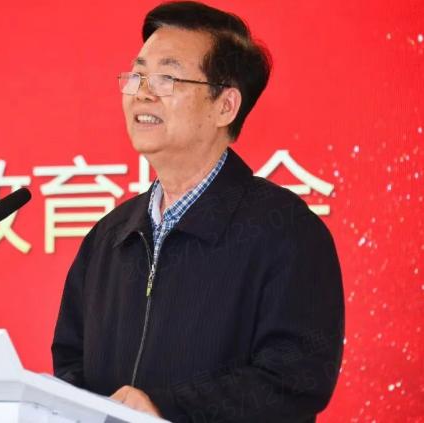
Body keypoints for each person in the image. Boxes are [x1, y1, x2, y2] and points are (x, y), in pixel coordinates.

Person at [52, 2, 345, 422]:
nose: (142, 92)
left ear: (225, 106)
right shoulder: (109, 237)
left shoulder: (287, 231)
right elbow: (70, 365)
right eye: (137, 75)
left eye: (167, 78)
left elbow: (294, 379)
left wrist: (166, 409)